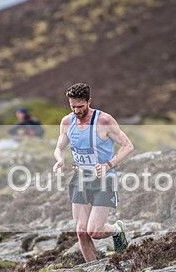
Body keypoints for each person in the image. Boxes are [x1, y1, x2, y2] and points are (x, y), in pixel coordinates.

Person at [53, 83, 134, 262]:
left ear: (89, 101)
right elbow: (60, 147)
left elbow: (128, 146)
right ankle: (94, 271)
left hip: (104, 179)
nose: (76, 111)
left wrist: (108, 164)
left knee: (95, 232)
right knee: (81, 232)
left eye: (80, 107)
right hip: (80, 178)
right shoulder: (67, 122)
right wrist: (59, 158)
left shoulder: (104, 121)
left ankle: (117, 229)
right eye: (72, 106)